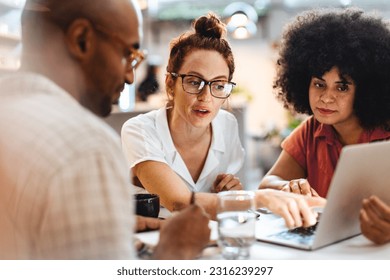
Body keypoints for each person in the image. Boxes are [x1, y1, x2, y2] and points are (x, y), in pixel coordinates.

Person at [0, 0, 210, 260]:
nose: (130, 76)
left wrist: (103, 228)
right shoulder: (86, 147)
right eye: (128, 55)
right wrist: (176, 250)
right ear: (82, 40)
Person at [121, 13, 325, 224]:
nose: (206, 97)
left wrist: (229, 192)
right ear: (170, 83)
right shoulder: (140, 130)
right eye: (194, 82)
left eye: (218, 85)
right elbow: (178, 202)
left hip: (209, 241)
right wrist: (257, 198)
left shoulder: (226, 126)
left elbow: (220, 205)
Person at [258, 8, 390, 242]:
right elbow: (267, 185)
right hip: (326, 247)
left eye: (342, 87)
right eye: (319, 84)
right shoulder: (311, 131)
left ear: (366, 91)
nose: (326, 97)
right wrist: (288, 188)